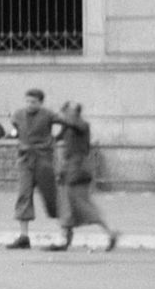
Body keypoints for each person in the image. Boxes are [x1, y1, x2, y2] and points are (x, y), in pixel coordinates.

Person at [48, 101, 118, 251]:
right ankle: (66, 239)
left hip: (78, 169)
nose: (65, 115)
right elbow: (56, 138)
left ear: (75, 113)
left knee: (81, 204)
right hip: (69, 168)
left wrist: (60, 119)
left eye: (68, 112)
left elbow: (75, 126)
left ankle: (110, 232)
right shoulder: (68, 127)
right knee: (67, 204)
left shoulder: (82, 125)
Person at [7, 87, 63, 250]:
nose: (30, 105)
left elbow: (66, 123)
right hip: (25, 160)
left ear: (40, 103)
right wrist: (15, 135)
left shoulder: (48, 115)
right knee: (23, 195)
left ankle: (63, 236)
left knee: (52, 197)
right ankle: (24, 237)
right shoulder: (18, 115)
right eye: (27, 101)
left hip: (43, 160)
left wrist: (56, 139)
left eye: (34, 102)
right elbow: (17, 130)